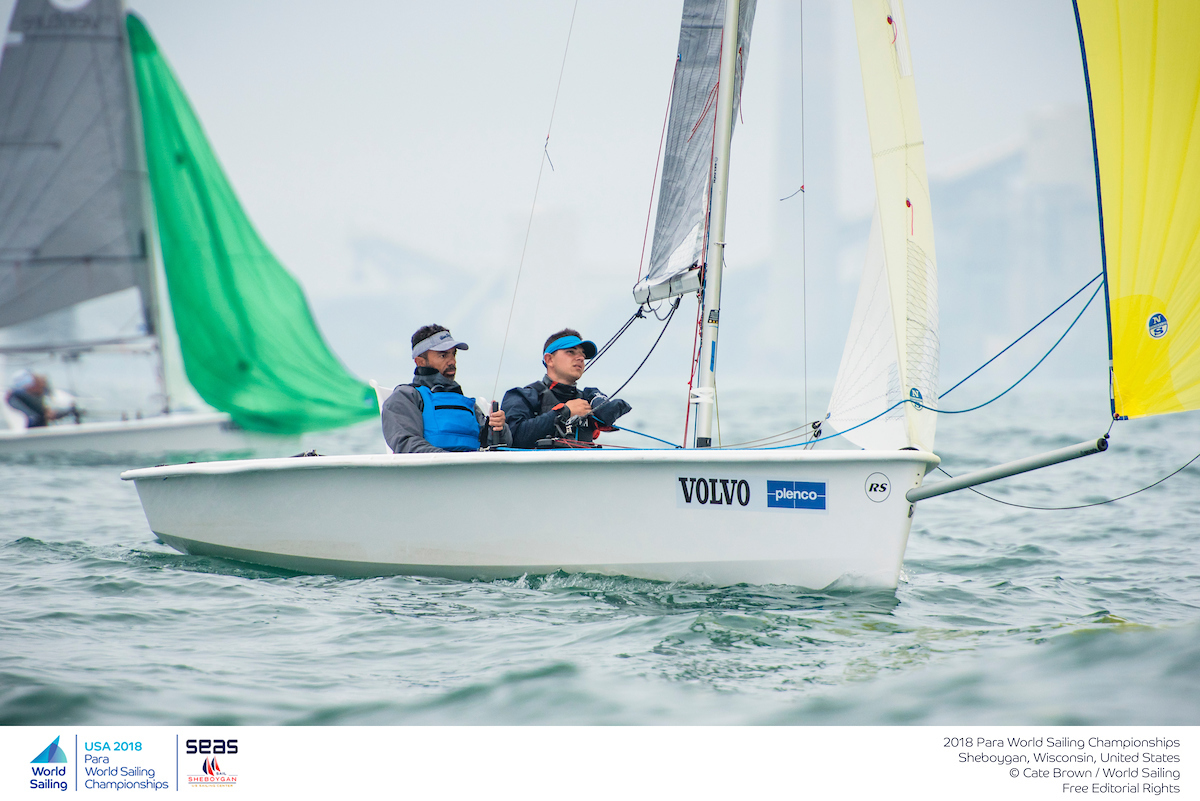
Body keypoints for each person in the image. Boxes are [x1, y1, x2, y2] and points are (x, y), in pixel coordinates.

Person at [381, 324, 510, 453]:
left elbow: (500, 446)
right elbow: (406, 444)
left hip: (471, 469)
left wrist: (499, 428)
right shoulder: (405, 397)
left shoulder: (467, 403)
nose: (452, 361)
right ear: (420, 362)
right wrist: (453, 460)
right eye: (443, 356)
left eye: (453, 354)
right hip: (434, 471)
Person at [501, 328, 632, 449]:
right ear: (549, 360)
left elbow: (609, 412)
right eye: (571, 352)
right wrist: (565, 412)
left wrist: (604, 408)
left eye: (583, 354)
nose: (581, 358)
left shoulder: (588, 397)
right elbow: (513, 439)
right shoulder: (521, 396)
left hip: (585, 471)